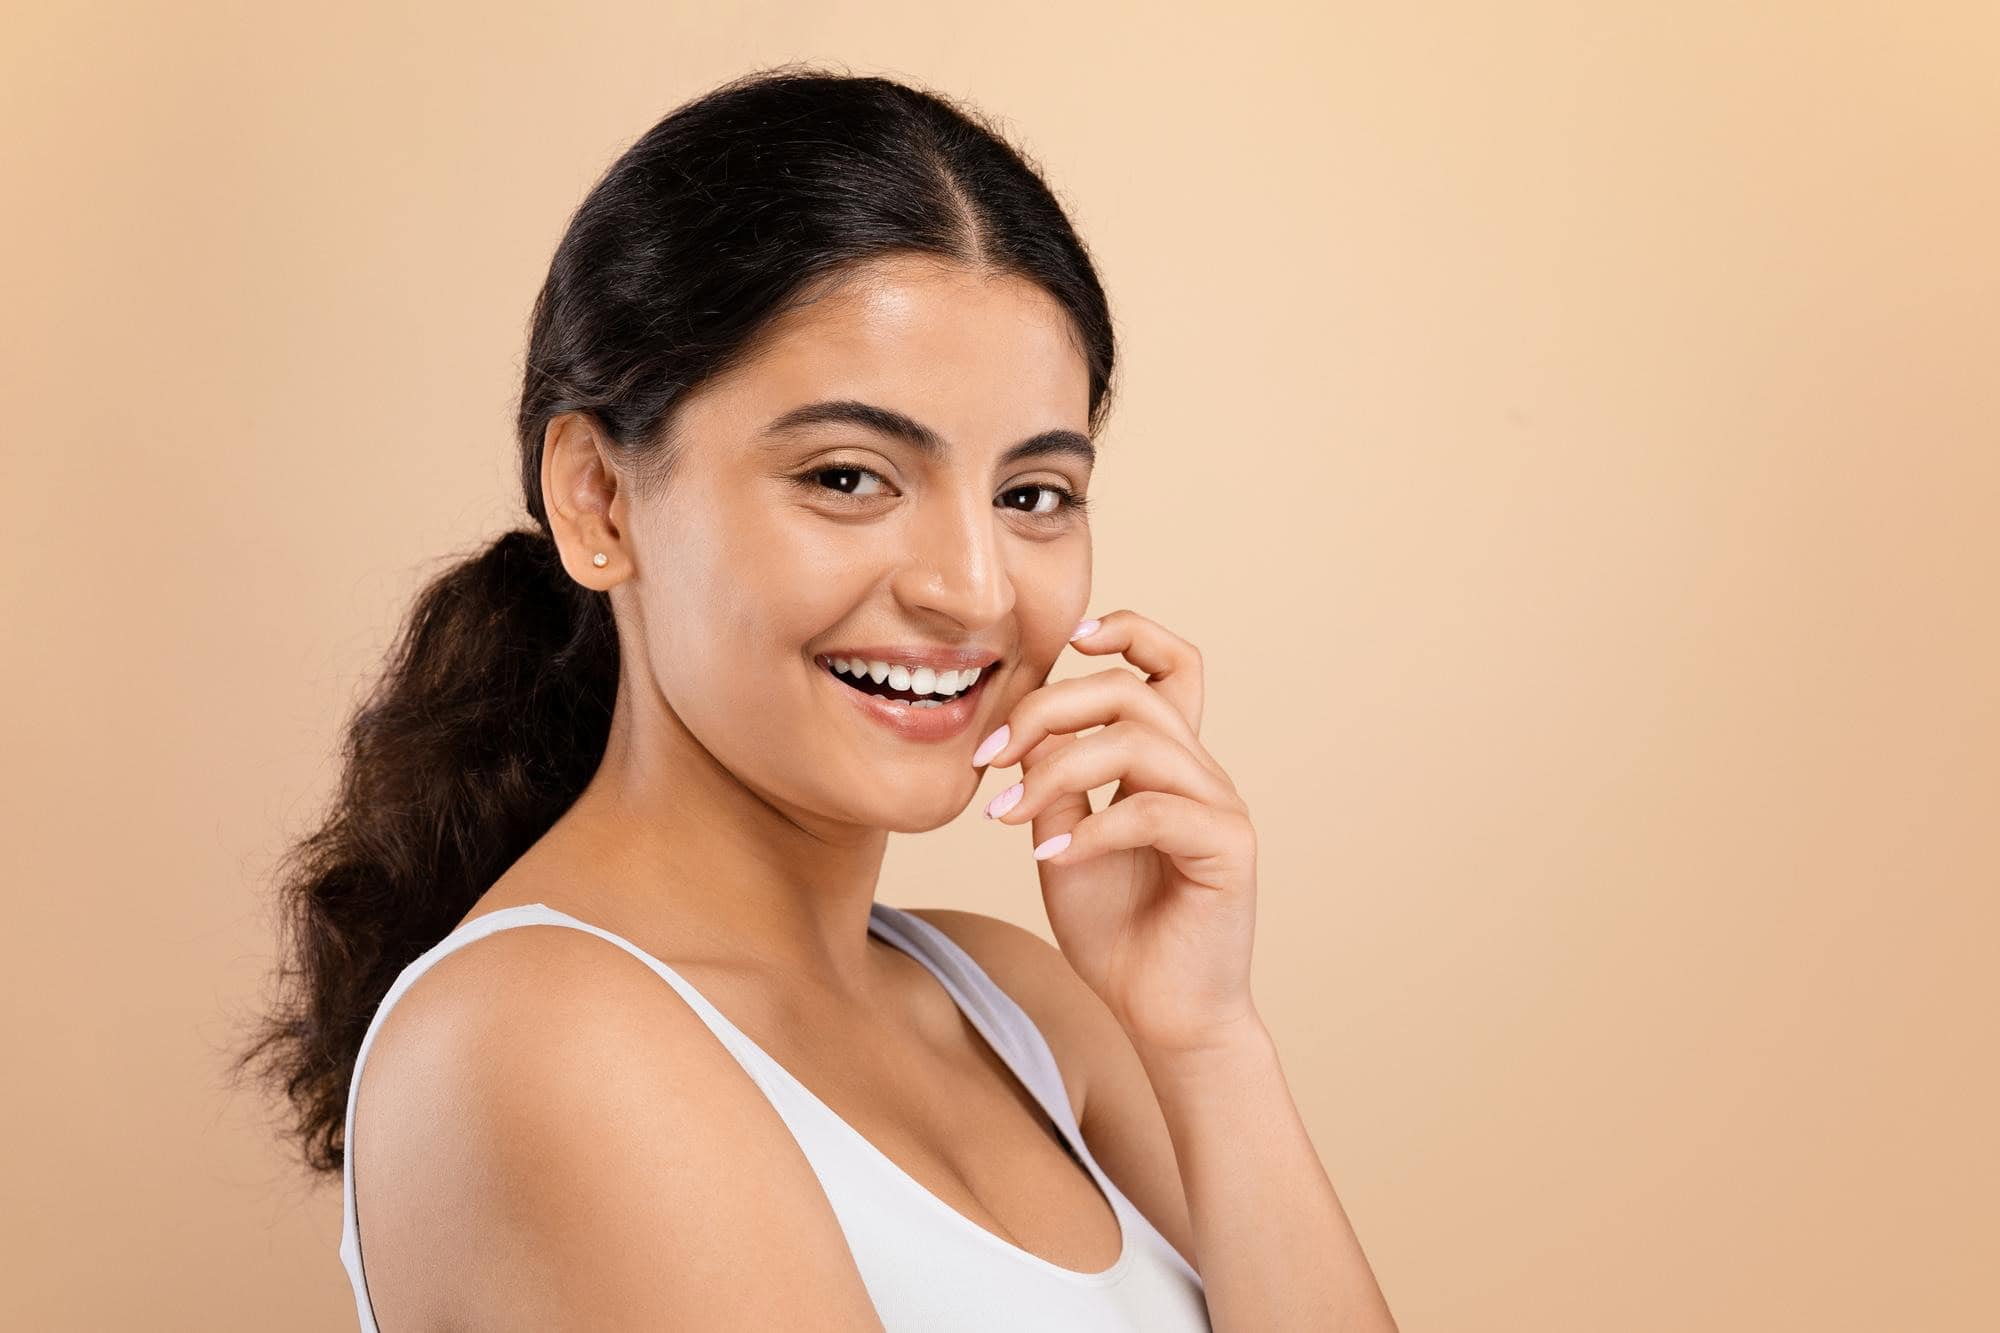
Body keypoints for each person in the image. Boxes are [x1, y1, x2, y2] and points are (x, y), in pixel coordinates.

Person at [236, 64, 1395, 1331]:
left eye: (1032, 495)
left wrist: (1207, 1040)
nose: (970, 588)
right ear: (600, 501)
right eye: (849, 477)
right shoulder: (538, 1042)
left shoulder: (1020, 1005)